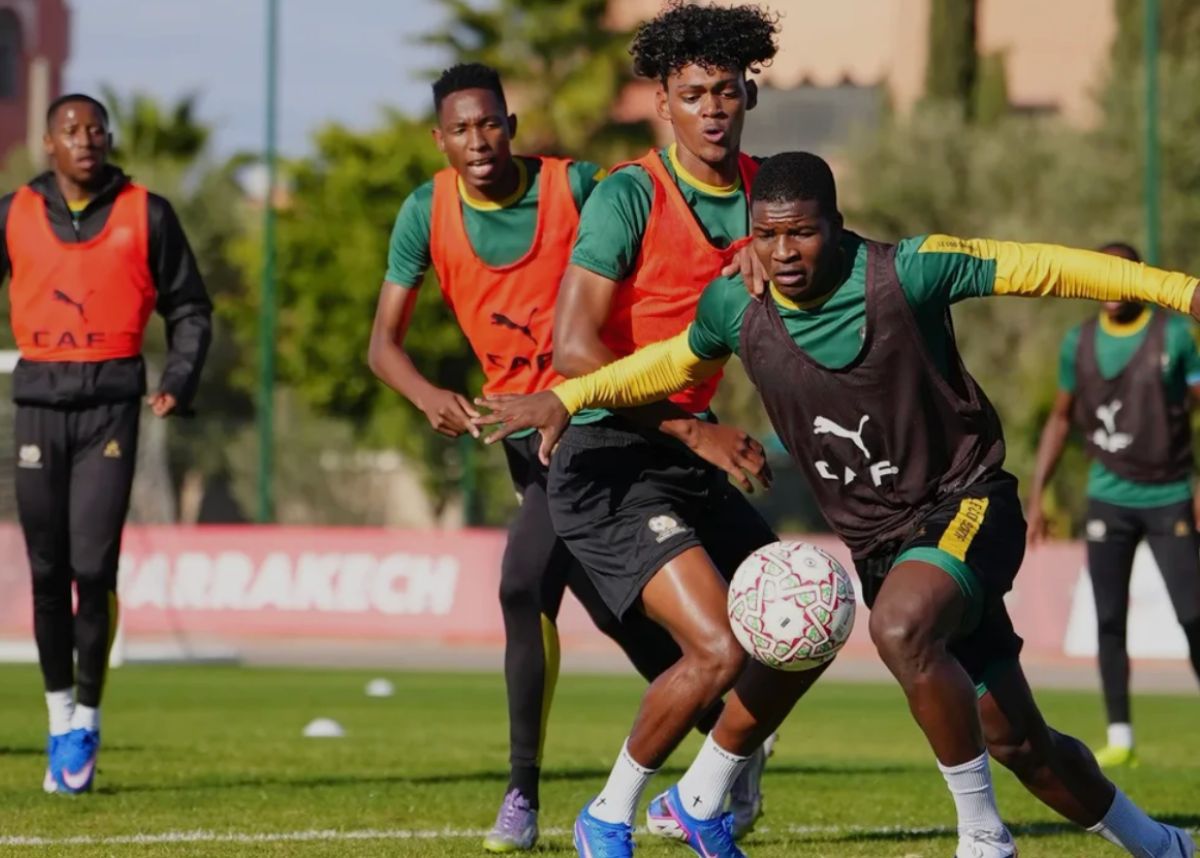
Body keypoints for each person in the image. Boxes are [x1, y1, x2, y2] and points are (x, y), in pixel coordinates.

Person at [474, 152, 1197, 858]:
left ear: (839, 225)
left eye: (803, 232)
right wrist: (566, 395)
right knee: (1021, 744)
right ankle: (1164, 844)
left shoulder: (908, 271)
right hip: (882, 544)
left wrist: (1183, 292)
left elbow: (1052, 266)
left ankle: (982, 836)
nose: (784, 252)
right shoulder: (737, 305)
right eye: (769, 234)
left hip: (966, 502)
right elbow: (667, 363)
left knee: (900, 626)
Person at [366, 62, 728, 853]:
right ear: (440, 139)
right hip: (519, 440)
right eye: (460, 129)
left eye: (490, 123)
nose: (478, 140)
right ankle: (732, 741)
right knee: (610, 607)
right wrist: (429, 395)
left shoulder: (581, 188)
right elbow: (381, 347)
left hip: (596, 424)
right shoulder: (426, 211)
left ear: (512, 124)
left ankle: (521, 797)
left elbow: (655, 256)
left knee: (522, 582)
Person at [522, 4, 816, 855]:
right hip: (608, 458)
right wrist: (696, 432)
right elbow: (572, 352)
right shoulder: (630, 195)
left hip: (690, 446)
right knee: (721, 648)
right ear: (665, 104)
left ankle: (708, 791)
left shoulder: (772, 197)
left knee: (806, 621)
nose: (713, 108)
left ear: (747, 96)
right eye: (694, 94)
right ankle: (607, 815)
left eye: (726, 91)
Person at [0, 93, 212, 795]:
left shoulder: (147, 213)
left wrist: (179, 378)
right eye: (71, 130)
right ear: (48, 145)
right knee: (44, 568)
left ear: (108, 140)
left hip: (112, 410)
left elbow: (190, 307)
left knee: (92, 567)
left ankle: (88, 716)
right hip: (36, 405)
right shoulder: (12, 212)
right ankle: (57, 714)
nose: (86, 140)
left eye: (96, 130)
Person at [1028, 241, 1200, 769]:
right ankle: (1120, 735)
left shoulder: (1173, 335)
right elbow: (1060, 419)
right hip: (1108, 496)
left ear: (1139, 280)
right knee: (1108, 618)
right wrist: (1036, 497)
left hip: (1170, 494)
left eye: (1119, 274)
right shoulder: (1076, 343)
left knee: (1194, 615)